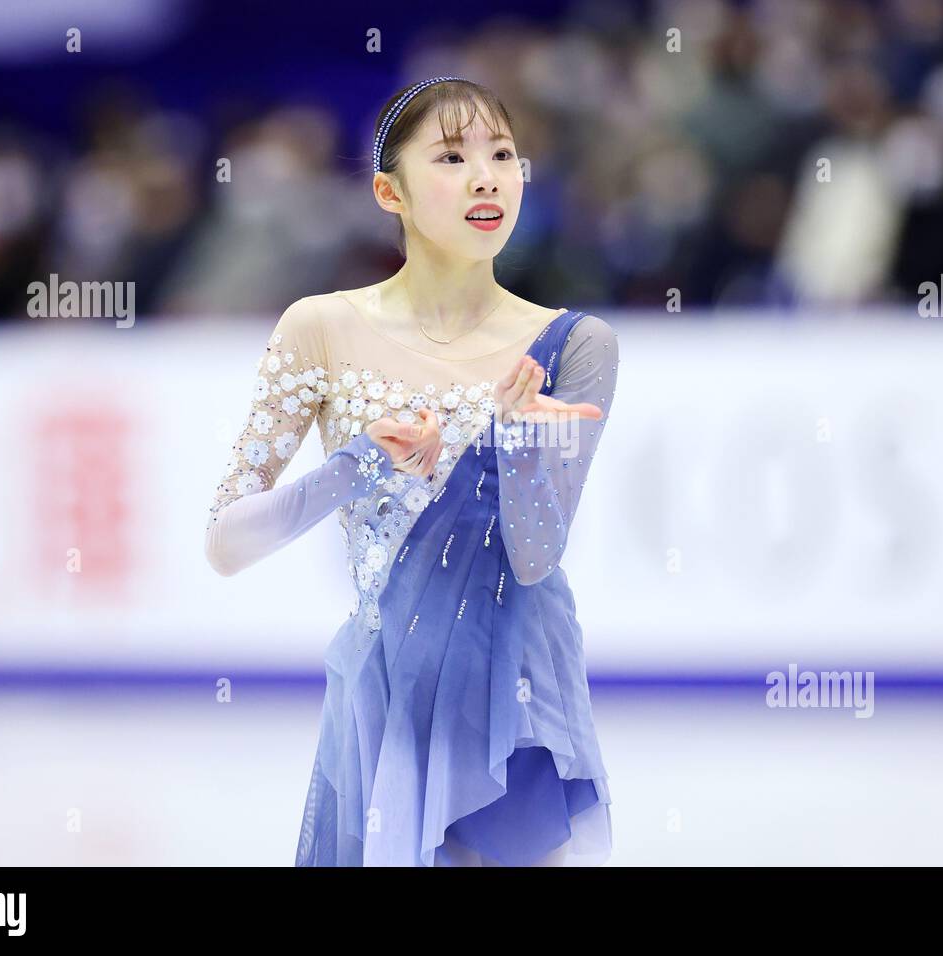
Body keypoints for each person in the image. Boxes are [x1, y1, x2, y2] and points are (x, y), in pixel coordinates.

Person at [205, 77, 619, 866]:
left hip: (519, 699)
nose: (489, 176)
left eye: (504, 154)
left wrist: (520, 441)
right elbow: (227, 545)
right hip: (384, 691)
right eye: (453, 157)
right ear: (388, 191)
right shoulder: (320, 327)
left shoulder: (575, 345)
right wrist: (357, 465)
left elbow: (534, 557)